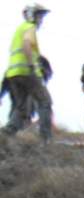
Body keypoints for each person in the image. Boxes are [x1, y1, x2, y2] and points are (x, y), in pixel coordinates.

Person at [1, 4, 52, 142]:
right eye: (40, 17)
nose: (41, 21)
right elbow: (26, 44)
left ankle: (8, 132)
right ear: (33, 16)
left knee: (22, 106)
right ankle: (45, 137)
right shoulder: (29, 28)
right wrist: (31, 65)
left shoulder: (19, 29)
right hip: (26, 72)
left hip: (13, 74)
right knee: (45, 101)